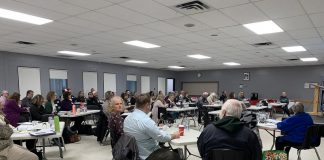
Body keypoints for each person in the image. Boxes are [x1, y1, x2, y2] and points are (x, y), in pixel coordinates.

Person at [197, 99, 262, 160]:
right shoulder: (249, 134)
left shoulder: (208, 131)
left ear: (223, 112)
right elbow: (257, 156)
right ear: (239, 115)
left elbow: (202, 151)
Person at [124, 94, 180, 160]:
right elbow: (161, 137)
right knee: (175, 155)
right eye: (151, 104)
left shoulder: (127, 118)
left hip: (134, 153)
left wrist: (156, 128)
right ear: (147, 105)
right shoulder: (146, 120)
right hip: (148, 155)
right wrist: (173, 135)